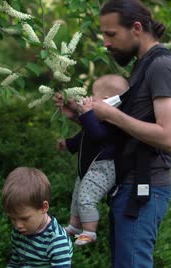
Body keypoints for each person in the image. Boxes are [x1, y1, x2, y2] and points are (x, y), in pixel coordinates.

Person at [55, 0, 171, 267]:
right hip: (125, 188)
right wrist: (80, 117)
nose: (106, 43)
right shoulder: (142, 66)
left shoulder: (162, 66)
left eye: (111, 34)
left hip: (143, 188)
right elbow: (119, 133)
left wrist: (111, 114)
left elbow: (168, 136)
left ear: (136, 28)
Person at [56, 74, 129, 247]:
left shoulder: (113, 121)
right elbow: (85, 136)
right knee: (77, 197)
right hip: (89, 168)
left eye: (92, 96)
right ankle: (74, 226)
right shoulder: (97, 119)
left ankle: (89, 232)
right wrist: (69, 144)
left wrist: (86, 112)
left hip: (103, 168)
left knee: (86, 197)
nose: (89, 99)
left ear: (106, 100)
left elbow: (97, 135)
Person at [2, 167, 73, 267]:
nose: (18, 225)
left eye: (25, 219)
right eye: (13, 218)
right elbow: (16, 262)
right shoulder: (19, 232)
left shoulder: (56, 240)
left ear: (44, 207)